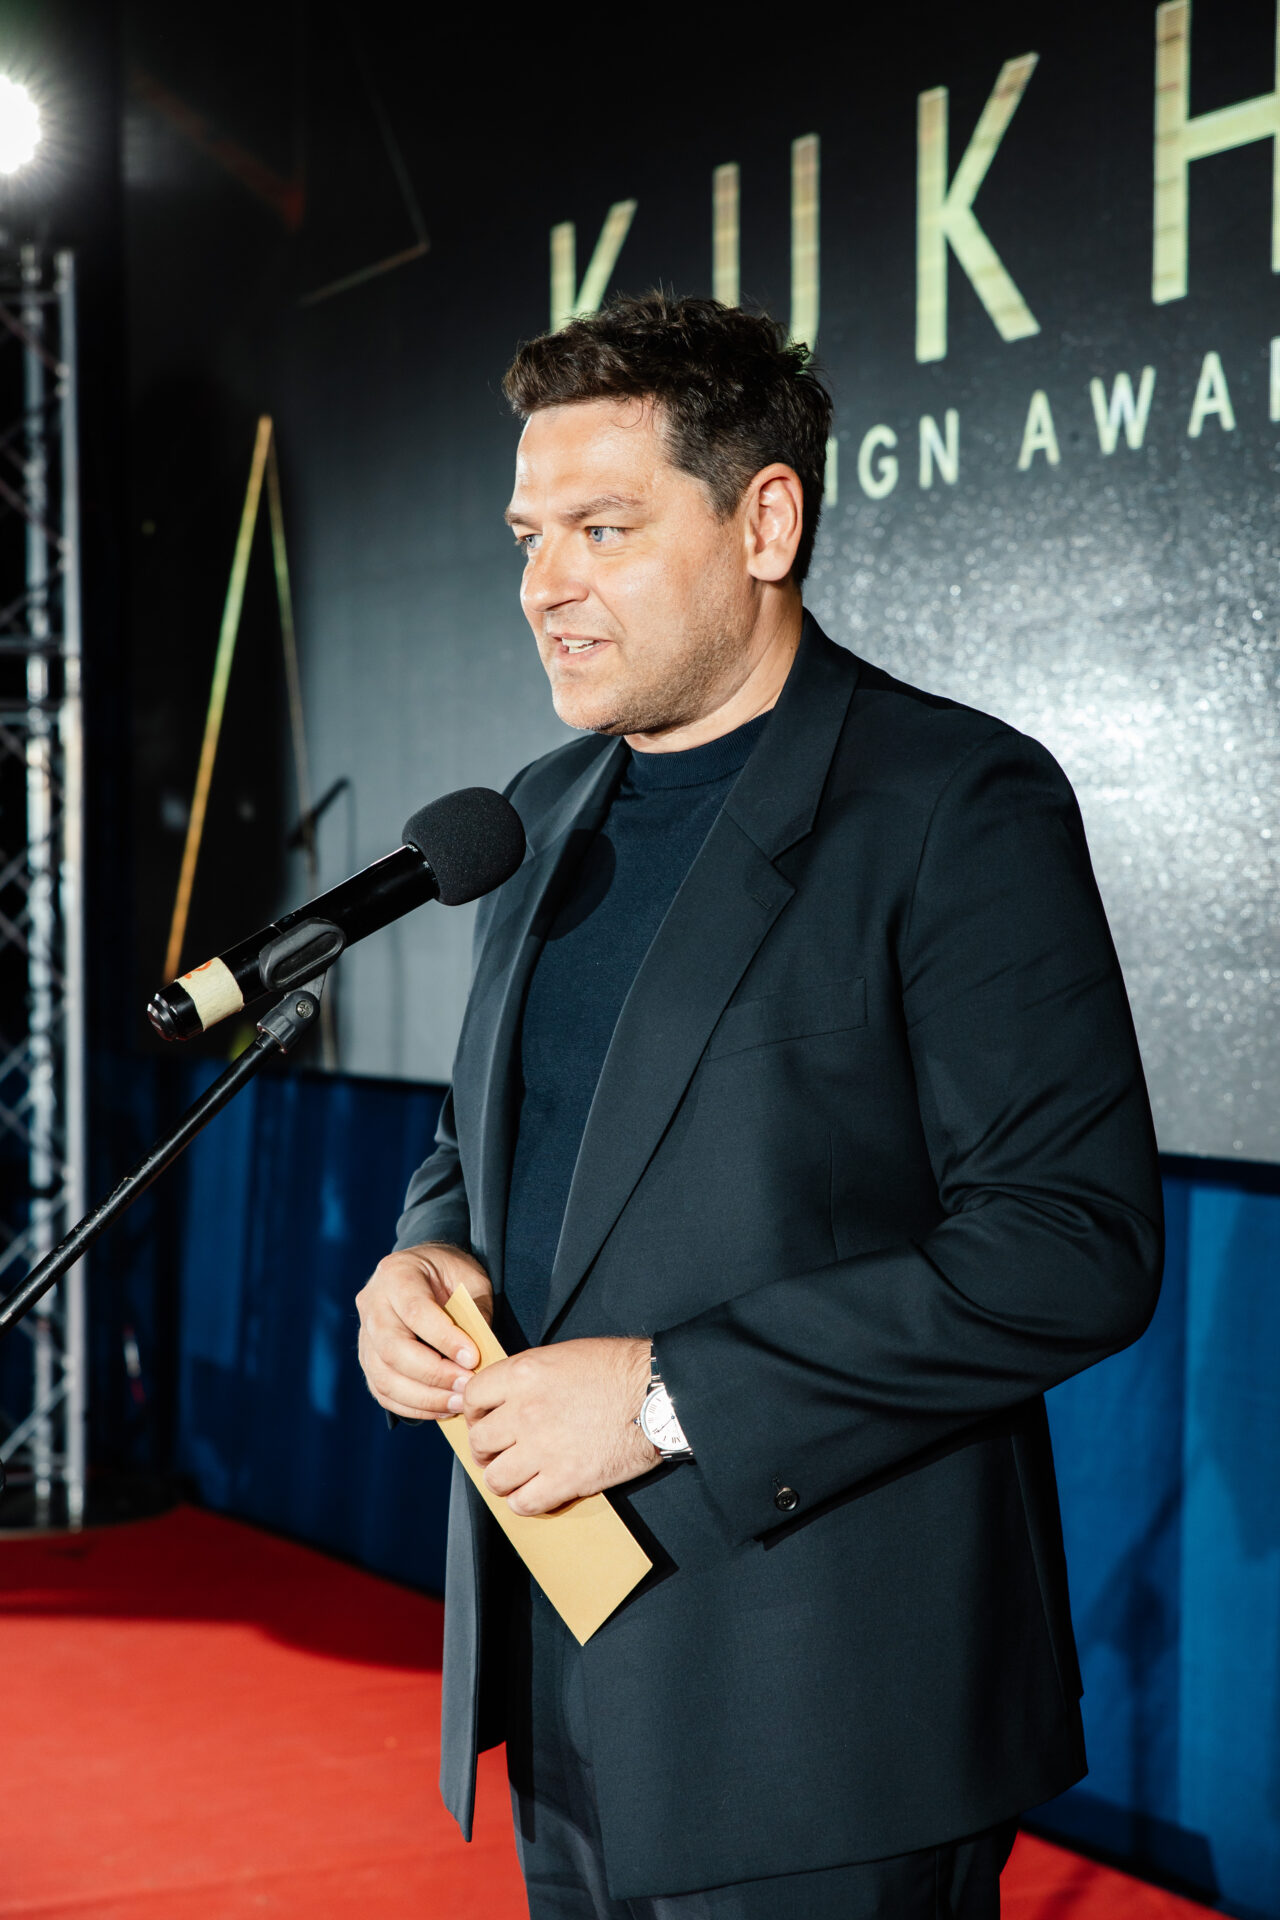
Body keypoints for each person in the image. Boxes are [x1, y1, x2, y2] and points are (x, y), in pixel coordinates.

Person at [355, 293, 1164, 1919]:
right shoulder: (537, 814)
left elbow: (1071, 1247)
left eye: (603, 528)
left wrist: (670, 1399)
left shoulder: (952, 801)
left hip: (826, 1718)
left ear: (766, 522)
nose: (544, 585)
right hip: (562, 1679)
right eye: (530, 536)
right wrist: (424, 1263)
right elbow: (479, 1142)